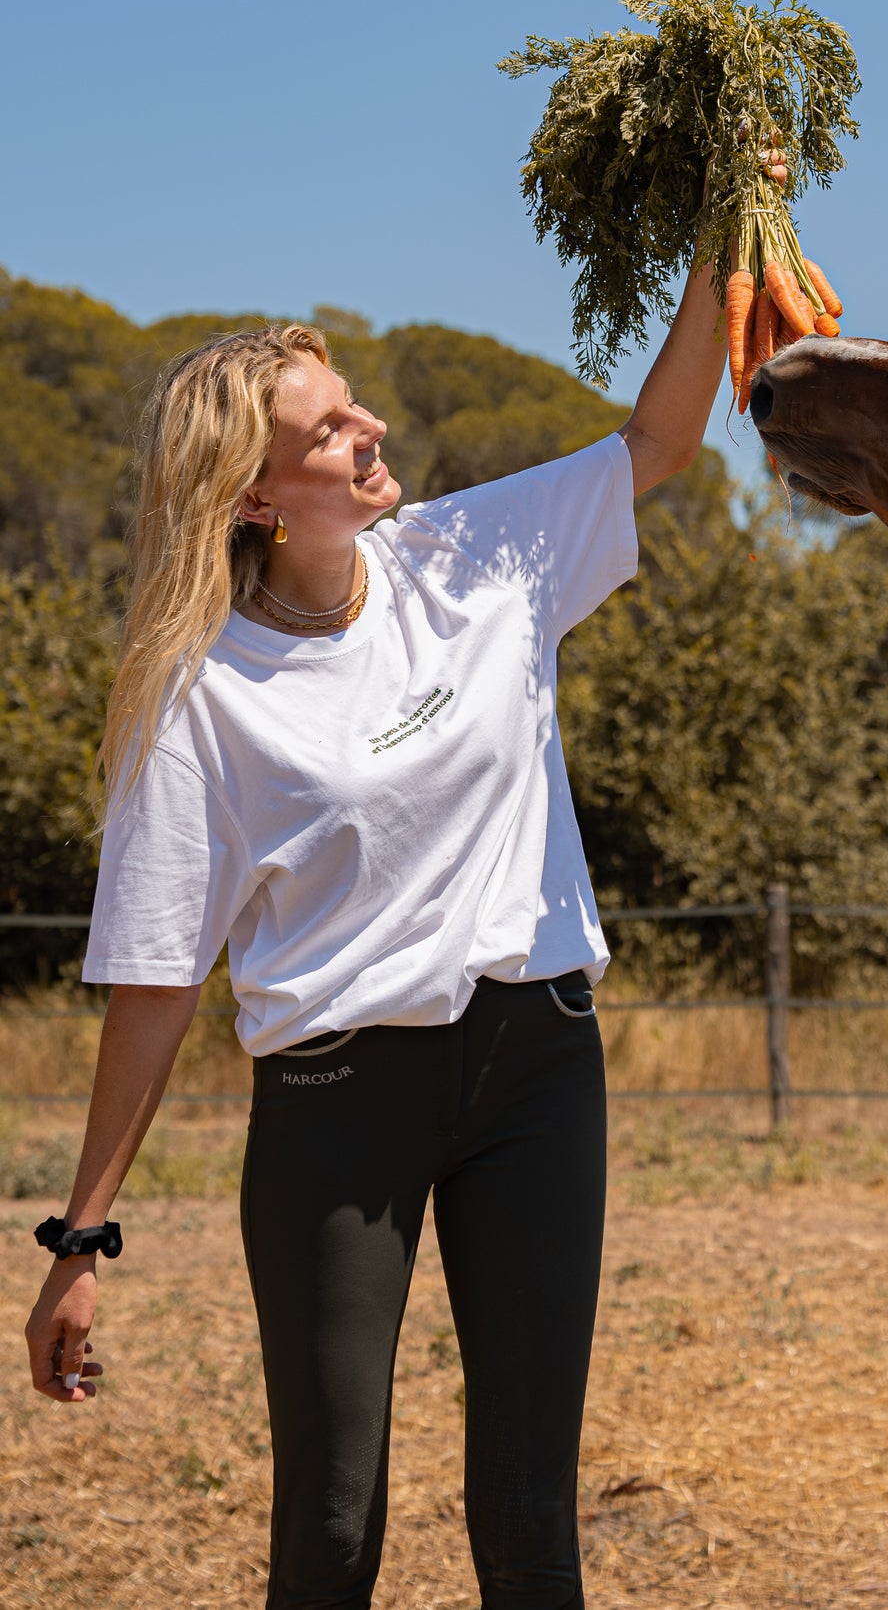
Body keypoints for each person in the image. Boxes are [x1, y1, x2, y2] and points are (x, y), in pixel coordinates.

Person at [22, 184, 777, 1610]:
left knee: (529, 1514)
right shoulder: (196, 698)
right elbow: (158, 976)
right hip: (337, 1099)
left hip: (539, 1065)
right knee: (332, 1512)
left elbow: (661, 440)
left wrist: (717, 250)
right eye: (329, 429)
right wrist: (79, 1239)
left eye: (356, 406)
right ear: (253, 495)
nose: (369, 431)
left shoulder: (475, 556)